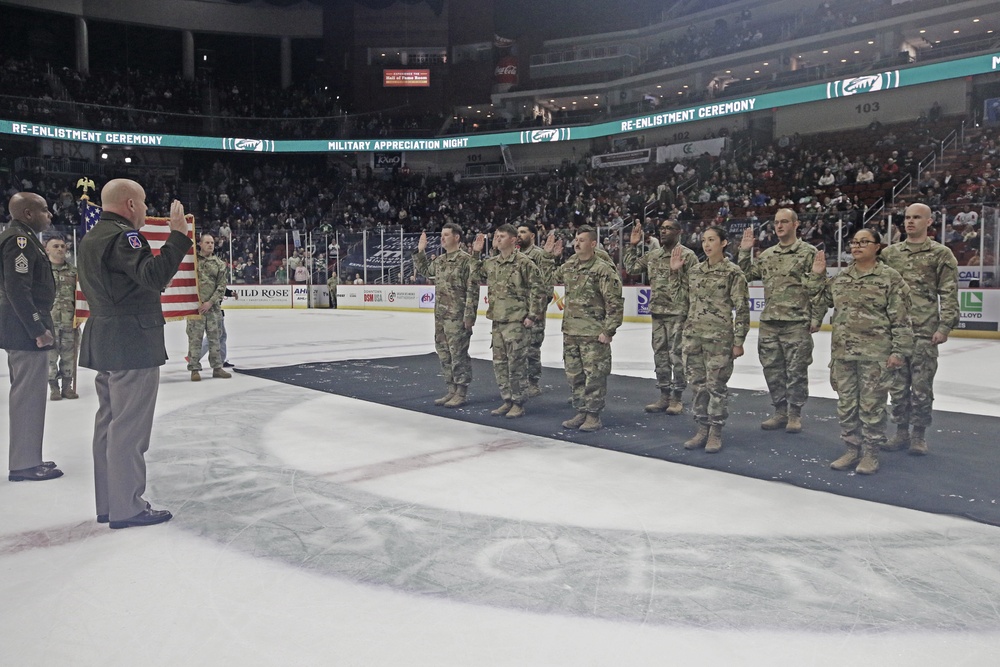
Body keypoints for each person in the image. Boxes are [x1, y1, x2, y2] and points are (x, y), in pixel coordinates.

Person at [78, 178, 192, 528]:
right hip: (131, 342)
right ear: (129, 204)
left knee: (109, 424)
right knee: (128, 428)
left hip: (106, 338)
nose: (145, 209)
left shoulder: (92, 236)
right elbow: (153, 275)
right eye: (142, 203)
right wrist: (178, 237)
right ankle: (127, 507)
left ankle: (110, 503)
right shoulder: (125, 236)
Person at [813, 229, 913, 474]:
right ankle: (851, 449)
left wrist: (898, 351)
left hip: (875, 356)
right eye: (854, 242)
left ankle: (870, 453)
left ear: (877, 246)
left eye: (863, 242)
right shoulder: (842, 277)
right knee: (846, 405)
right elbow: (818, 299)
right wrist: (817, 276)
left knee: (872, 407)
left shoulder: (890, 278)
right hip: (843, 354)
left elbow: (901, 320)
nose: (857, 246)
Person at [879, 203, 960, 455]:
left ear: (929, 221)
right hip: (895, 334)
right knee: (898, 388)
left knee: (922, 388)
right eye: (907, 217)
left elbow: (948, 293)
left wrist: (945, 326)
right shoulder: (890, 254)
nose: (910, 222)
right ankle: (901, 432)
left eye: (916, 217)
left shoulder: (941, 254)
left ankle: (919, 435)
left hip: (925, 332)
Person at [738, 209, 825, 433]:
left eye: (784, 222)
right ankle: (780, 411)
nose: (779, 226)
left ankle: (795, 414)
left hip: (796, 322)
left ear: (796, 224)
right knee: (772, 369)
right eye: (776, 222)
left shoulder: (808, 253)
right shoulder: (767, 255)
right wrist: (744, 251)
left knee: (796, 371)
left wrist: (816, 317)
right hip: (770, 322)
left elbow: (819, 289)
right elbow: (745, 275)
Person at [669, 226, 750, 452]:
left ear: (723, 243)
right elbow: (680, 301)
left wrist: (739, 341)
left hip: (719, 340)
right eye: (704, 240)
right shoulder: (694, 271)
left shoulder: (733, 272)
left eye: (711, 240)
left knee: (716, 387)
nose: (706, 244)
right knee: (697, 386)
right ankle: (702, 428)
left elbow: (742, 309)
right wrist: (675, 273)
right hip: (693, 338)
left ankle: (715, 431)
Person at [1, 192, 61, 482]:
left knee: (30, 396)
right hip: (25, 330)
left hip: (21, 328)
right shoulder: (19, 240)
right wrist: (38, 329)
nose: (49, 215)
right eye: (44, 210)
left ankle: (28, 458)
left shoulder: (23, 237)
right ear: (27, 213)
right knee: (27, 398)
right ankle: (24, 464)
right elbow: (18, 290)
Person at [546, 225, 624, 433]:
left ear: (593, 244)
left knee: (594, 377)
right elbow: (548, 279)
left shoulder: (602, 270)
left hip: (593, 334)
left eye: (581, 240)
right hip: (571, 331)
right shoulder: (570, 266)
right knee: (575, 376)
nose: (576, 243)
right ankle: (581, 410)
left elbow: (615, 303)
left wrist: (608, 331)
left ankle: (593, 415)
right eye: (575, 239)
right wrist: (551, 258)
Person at [470, 225, 545, 418]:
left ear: (513, 240)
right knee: (500, 364)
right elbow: (476, 274)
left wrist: (532, 315)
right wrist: (476, 254)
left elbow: (539, 289)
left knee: (516, 365)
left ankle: (518, 402)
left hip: (517, 323)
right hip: (498, 321)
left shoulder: (524, 263)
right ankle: (507, 399)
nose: (498, 239)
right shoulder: (493, 262)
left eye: (502, 236)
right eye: (496, 236)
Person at [623, 218, 697, 415]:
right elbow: (631, 269)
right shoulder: (653, 255)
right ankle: (664, 394)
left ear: (679, 231)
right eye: (662, 228)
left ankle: (678, 397)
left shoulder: (688, 256)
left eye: (669, 228)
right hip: (658, 313)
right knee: (660, 356)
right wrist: (633, 245)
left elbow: (696, 286)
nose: (663, 232)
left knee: (678, 357)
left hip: (679, 314)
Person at [413, 223, 479, 408]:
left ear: (457, 237)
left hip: (457, 316)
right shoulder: (440, 261)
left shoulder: (466, 260)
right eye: (442, 235)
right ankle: (451, 389)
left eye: (446, 235)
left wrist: (469, 315)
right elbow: (426, 271)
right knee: (444, 353)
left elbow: (473, 289)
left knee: (458, 355)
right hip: (441, 316)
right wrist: (420, 251)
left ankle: (461, 391)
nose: (442, 238)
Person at [516, 222, 555, 397]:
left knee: (532, 348)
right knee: (517, 348)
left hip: (534, 310)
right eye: (518, 232)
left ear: (532, 235)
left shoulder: (539, 255)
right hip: (516, 310)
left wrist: (538, 310)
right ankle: (519, 381)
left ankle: (533, 382)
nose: (519, 235)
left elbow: (546, 286)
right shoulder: (515, 255)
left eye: (523, 232)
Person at [186, 233, 231, 381]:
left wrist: (210, 302)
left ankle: (217, 368)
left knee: (215, 339)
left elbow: (221, 286)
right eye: (207, 242)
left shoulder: (219, 264)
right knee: (195, 339)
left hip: (212, 309)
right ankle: (194, 369)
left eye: (212, 242)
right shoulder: (192, 261)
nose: (210, 245)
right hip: (195, 308)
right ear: (200, 244)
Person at [44, 236, 80, 400]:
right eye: (56, 246)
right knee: (50, 357)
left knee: (69, 356)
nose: (60, 249)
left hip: (69, 322)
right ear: (47, 249)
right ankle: (53, 388)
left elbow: (81, 296)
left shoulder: (74, 273)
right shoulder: (42, 271)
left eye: (62, 246)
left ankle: (67, 386)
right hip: (49, 323)